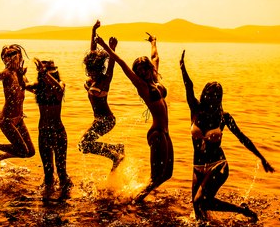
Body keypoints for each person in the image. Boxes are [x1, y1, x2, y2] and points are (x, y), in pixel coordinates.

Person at [179, 50, 275, 222]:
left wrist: (262, 158)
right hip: (198, 165)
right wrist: (182, 68)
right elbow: (188, 87)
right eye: (210, 94)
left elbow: (243, 138)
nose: (213, 98)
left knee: (200, 200)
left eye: (217, 96)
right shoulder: (196, 109)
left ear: (220, 98)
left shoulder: (224, 117)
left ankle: (241, 211)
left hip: (218, 164)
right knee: (198, 209)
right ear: (204, 94)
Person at [96, 33, 174, 202]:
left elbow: (155, 57)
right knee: (156, 177)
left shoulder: (154, 80)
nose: (143, 72)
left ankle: (137, 195)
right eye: (139, 71)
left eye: (145, 69)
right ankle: (135, 200)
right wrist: (105, 46)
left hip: (166, 133)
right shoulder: (142, 85)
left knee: (167, 174)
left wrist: (153, 42)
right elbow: (122, 63)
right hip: (157, 134)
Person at [78, 20, 125, 172]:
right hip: (99, 120)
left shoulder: (104, 80)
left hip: (107, 120)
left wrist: (111, 48)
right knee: (84, 146)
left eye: (93, 70)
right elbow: (93, 52)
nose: (90, 72)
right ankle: (116, 148)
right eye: (89, 70)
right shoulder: (93, 78)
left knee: (84, 144)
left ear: (98, 69)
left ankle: (115, 155)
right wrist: (93, 31)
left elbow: (112, 64)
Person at [0, 44, 35, 161]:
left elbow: (32, 90)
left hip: (19, 119)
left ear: (20, 58)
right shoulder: (6, 73)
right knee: (23, 150)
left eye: (15, 56)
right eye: (9, 57)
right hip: (6, 120)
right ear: (5, 60)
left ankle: (0, 156)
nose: (13, 59)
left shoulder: (21, 76)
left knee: (30, 152)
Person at [26, 58, 73, 200]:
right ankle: (46, 204)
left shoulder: (59, 86)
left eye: (46, 73)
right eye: (41, 74)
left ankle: (65, 202)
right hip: (43, 133)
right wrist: (19, 72)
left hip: (58, 133)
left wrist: (45, 73)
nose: (43, 76)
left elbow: (59, 88)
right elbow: (23, 85)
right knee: (47, 173)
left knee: (61, 171)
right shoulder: (39, 88)